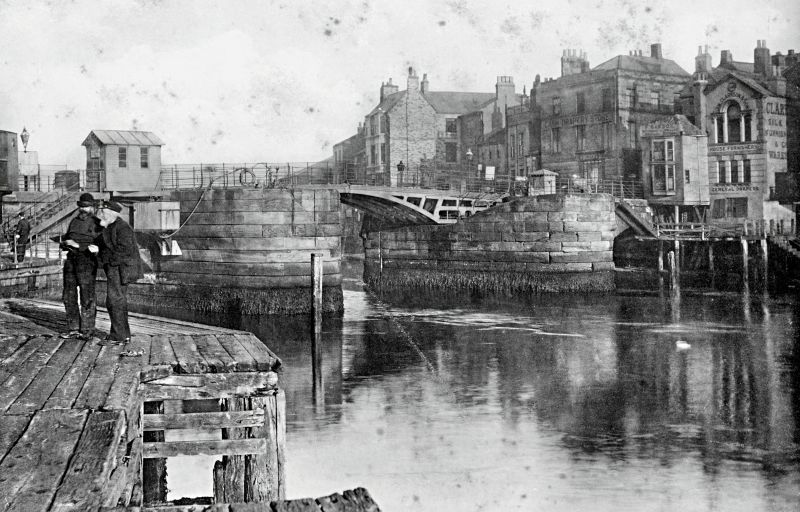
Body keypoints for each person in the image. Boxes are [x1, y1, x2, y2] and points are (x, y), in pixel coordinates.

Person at [95, 200, 143, 345]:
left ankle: (119, 336)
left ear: (110, 213)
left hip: (122, 269)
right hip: (116, 268)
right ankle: (122, 335)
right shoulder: (110, 226)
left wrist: (104, 259)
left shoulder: (123, 228)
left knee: (115, 300)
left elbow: (125, 251)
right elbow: (106, 245)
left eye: (102, 213)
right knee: (115, 301)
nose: (100, 216)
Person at [59, 193, 103, 340]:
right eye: (81, 206)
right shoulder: (74, 222)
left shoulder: (97, 223)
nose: (83, 209)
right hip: (71, 260)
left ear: (92, 207)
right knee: (68, 295)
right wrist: (64, 243)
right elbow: (67, 237)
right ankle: (73, 329)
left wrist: (78, 245)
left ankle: (87, 330)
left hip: (87, 262)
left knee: (87, 296)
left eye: (87, 207)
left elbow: (100, 245)